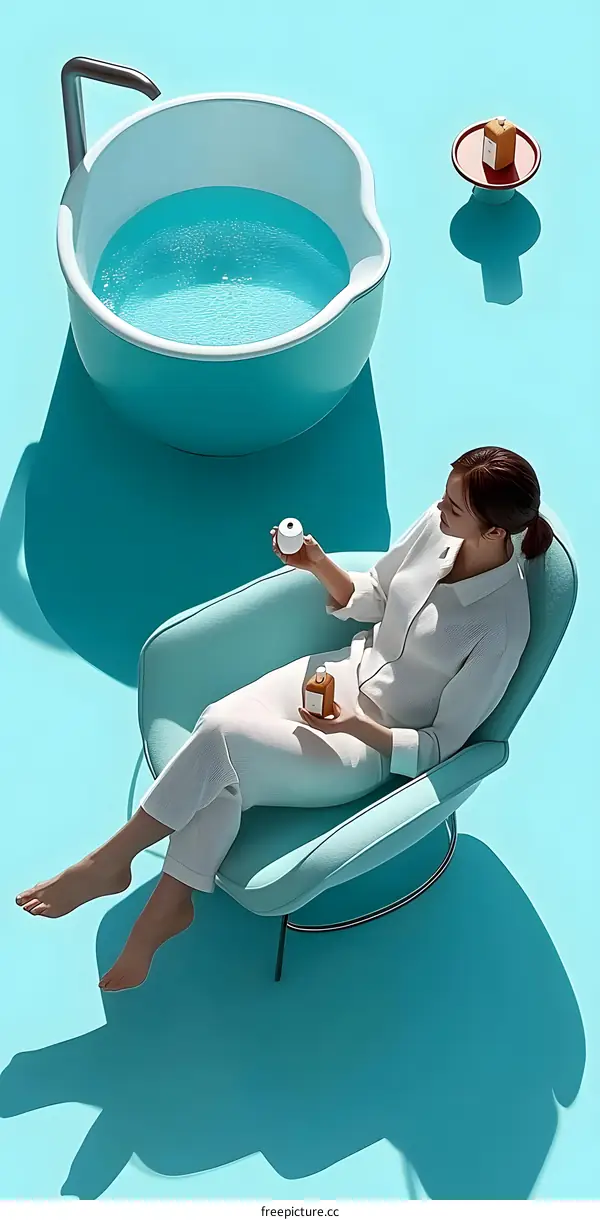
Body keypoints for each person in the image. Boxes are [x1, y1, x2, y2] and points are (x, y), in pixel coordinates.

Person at [16, 446, 553, 991]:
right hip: (335, 673)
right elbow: (374, 595)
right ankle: (169, 904)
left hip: (367, 746)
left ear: (494, 532)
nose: (439, 509)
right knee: (220, 736)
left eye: (454, 507)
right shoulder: (438, 529)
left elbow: (443, 746)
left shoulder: (501, 626)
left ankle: (111, 861)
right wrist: (316, 563)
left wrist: (355, 728)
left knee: (222, 736)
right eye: (445, 496)